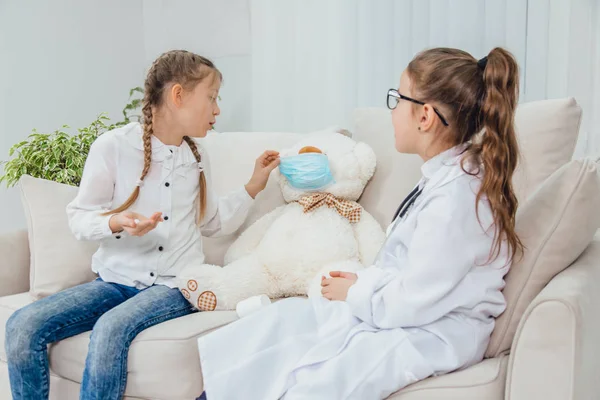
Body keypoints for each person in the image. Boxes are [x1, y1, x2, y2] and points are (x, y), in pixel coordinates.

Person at [195, 47, 524, 400]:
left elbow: (415, 299)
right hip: (411, 314)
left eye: (397, 99)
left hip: (430, 332)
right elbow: (410, 271)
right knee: (281, 325)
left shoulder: (455, 199)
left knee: (318, 381)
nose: (393, 110)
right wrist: (360, 282)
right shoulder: (444, 179)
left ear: (425, 116)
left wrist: (354, 292)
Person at [5, 49, 280, 400]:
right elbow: (79, 217)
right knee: (22, 326)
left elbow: (211, 222)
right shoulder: (113, 147)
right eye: (211, 98)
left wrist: (253, 185)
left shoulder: (198, 156)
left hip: (174, 286)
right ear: (178, 95)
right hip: (114, 281)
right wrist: (115, 221)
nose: (217, 110)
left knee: (110, 329)